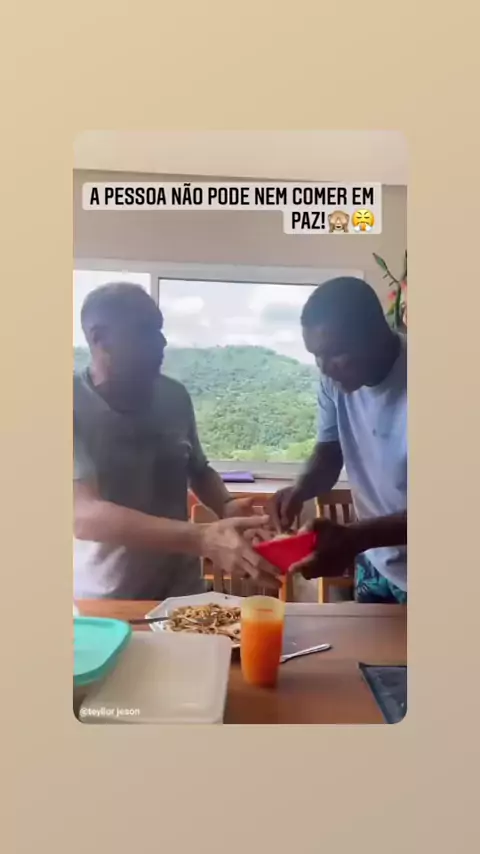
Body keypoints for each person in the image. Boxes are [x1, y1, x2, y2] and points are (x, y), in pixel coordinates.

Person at [74, 282, 279, 600]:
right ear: (98, 337)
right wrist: (202, 538)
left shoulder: (175, 396)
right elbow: (82, 513)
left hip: (183, 595)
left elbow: (198, 468)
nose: (162, 342)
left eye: (159, 330)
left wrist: (226, 504)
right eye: (145, 331)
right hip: (104, 600)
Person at [269, 276, 407, 604]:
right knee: (368, 641)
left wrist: (356, 537)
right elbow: (330, 451)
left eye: (336, 354)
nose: (325, 368)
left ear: (376, 333)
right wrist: (300, 489)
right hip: (375, 561)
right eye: (317, 355)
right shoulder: (335, 381)